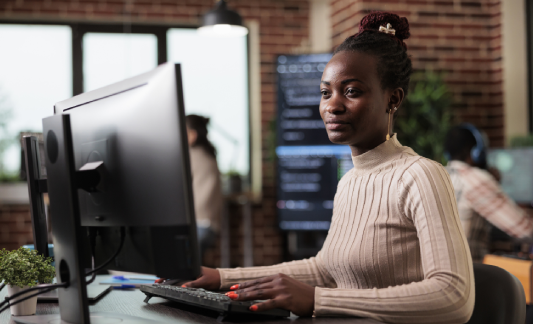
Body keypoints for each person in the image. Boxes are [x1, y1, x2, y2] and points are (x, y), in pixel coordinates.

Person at [160, 12, 474, 323]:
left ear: (393, 99)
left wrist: (317, 299)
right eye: (326, 92)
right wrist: (219, 277)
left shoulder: (421, 175)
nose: (332, 105)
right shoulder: (349, 181)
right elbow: (323, 269)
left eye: (351, 91)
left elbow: (453, 296)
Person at [445, 124, 533, 262]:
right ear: (476, 152)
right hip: (468, 274)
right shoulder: (476, 179)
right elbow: (525, 230)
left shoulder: (440, 176)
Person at [186, 115, 223, 257]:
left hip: (197, 225)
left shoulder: (191, 156)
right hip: (209, 225)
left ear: (192, 135)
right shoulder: (209, 155)